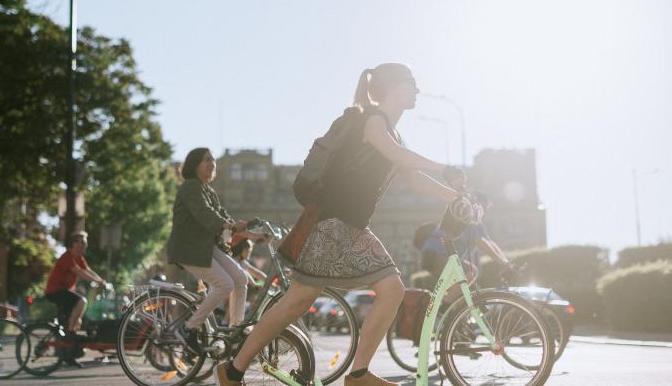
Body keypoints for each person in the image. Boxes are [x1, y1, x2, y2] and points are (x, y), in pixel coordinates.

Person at [215, 63, 468, 386]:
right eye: (411, 82)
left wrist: (454, 196)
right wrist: (446, 168)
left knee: (300, 302)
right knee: (380, 290)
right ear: (393, 87)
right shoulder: (372, 120)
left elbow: (412, 176)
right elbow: (396, 155)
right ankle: (355, 375)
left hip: (345, 226)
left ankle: (234, 371)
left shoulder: (393, 131)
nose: (417, 89)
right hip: (332, 226)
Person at [166, 148, 261, 355]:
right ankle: (188, 328)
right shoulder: (190, 187)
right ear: (194, 165)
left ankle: (236, 329)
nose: (212, 163)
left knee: (240, 278)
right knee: (224, 284)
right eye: (206, 160)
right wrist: (232, 226)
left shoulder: (207, 189)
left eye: (213, 160)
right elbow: (205, 215)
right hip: (189, 249)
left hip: (206, 247)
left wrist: (253, 234)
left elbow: (224, 217)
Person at [418, 191, 512, 295]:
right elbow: (481, 243)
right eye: (483, 207)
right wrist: (502, 263)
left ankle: (444, 307)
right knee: (471, 272)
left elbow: (490, 243)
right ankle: (445, 305)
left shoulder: (474, 221)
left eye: (486, 209)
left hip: (431, 254)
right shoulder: (468, 217)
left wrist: (505, 261)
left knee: (460, 291)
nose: (484, 212)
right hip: (438, 255)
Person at [44, 231, 107, 367]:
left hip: (64, 291)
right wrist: (97, 282)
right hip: (55, 291)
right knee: (81, 302)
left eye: (85, 243)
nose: (85, 245)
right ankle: (70, 334)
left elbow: (88, 270)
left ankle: (68, 355)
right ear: (74, 243)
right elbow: (80, 272)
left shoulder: (79, 257)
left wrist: (101, 280)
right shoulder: (67, 257)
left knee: (76, 320)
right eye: (82, 242)